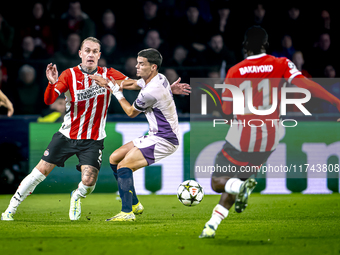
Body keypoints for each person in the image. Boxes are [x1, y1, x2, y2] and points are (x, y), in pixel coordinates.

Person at [1, 37, 190, 222]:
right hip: (67, 135)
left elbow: (133, 84)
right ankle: (10, 209)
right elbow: (49, 100)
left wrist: (163, 91)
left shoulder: (109, 74)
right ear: (80, 53)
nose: (90, 55)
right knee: (39, 172)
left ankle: (77, 196)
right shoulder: (68, 75)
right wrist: (51, 83)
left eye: (94, 51)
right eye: (87, 51)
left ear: (99, 55)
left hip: (93, 139)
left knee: (89, 181)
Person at [199, 26, 340, 238]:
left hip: (244, 134)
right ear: (266, 44)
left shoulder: (234, 71)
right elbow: (305, 85)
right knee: (238, 180)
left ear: (245, 46)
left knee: (218, 181)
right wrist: (336, 102)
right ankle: (212, 225)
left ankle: (239, 188)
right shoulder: (282, 63)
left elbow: (227, 111)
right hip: (271, 136)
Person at [90, 48, 180, 221]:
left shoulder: (150, 91)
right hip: (156, 134)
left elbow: (131, 112)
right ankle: (134, 204)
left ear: (153, 67)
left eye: (141, 64)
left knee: (124, 166)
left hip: (165, 139)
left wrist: (116, 93)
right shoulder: (159, 78)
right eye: (137, 62)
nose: (136, 66)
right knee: (114, 158)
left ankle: (127, 213)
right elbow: (131, 83)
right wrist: (108, 82)